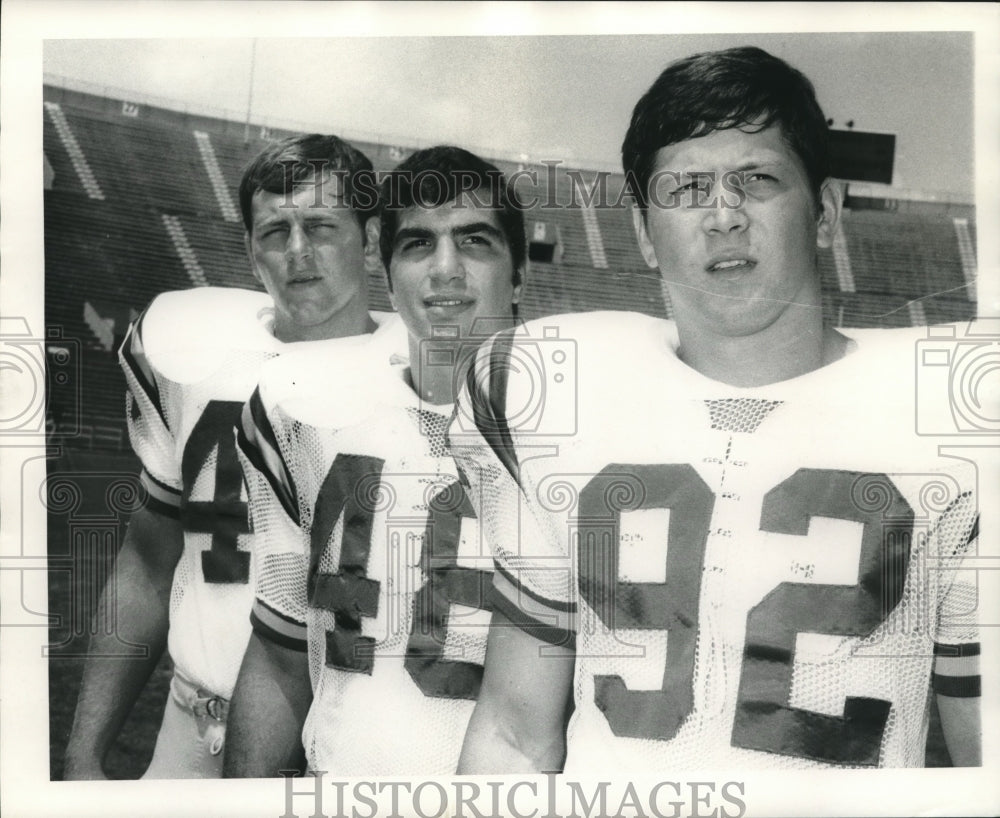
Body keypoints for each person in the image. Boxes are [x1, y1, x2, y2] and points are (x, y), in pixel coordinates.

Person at [453, 46, 981, 773]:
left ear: (824, 213)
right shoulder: (552, 395)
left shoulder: (959, 417)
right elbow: (514, 731)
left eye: (756, 179)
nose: (723, 215)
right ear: (643, 232)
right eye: (687, 187)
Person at [63, 133, 401, 779]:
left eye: (322, 226)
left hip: (343, 754)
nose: (297, 252)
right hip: (193, 726)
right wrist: (84, 751)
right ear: (250, 251)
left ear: (373, 240)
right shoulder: (199, 364)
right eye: (275, 231)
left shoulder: (422, 380)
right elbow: (147, 561)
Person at [224, 145, 525, 777]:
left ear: (519, 275)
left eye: (474, 241)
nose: (445, 270)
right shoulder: (303, 414)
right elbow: (281, 649)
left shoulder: (585, 437)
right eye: (417, 245)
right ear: (387, 273)